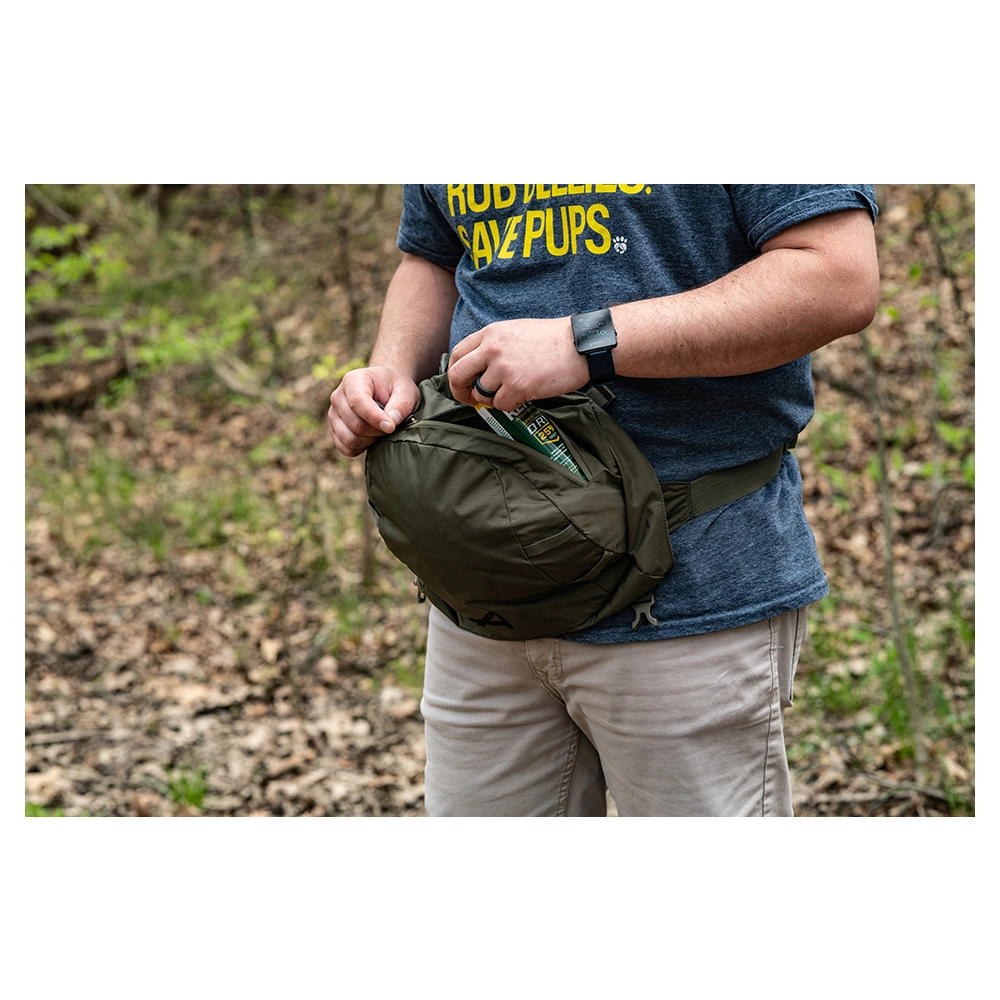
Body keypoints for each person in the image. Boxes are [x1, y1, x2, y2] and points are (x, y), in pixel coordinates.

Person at [328, 184, 880, 817]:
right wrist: (391, 369)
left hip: (688, 586)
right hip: (481, 595)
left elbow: (836, 277)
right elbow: (432, 256)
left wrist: (587, 342)